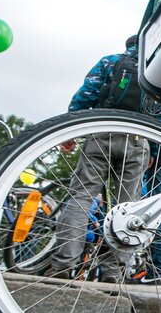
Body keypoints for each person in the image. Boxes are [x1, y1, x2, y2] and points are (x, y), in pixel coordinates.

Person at [44, 36, 151, 283]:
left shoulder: (110, 62)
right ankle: (115, 272)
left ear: (128, 46)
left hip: (102, 131)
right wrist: (152, 151)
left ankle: (63, 265)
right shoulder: (154, 68)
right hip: (138, 139)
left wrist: (70, 131)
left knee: (81, 197)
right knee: (128, 207)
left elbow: (85, 96)